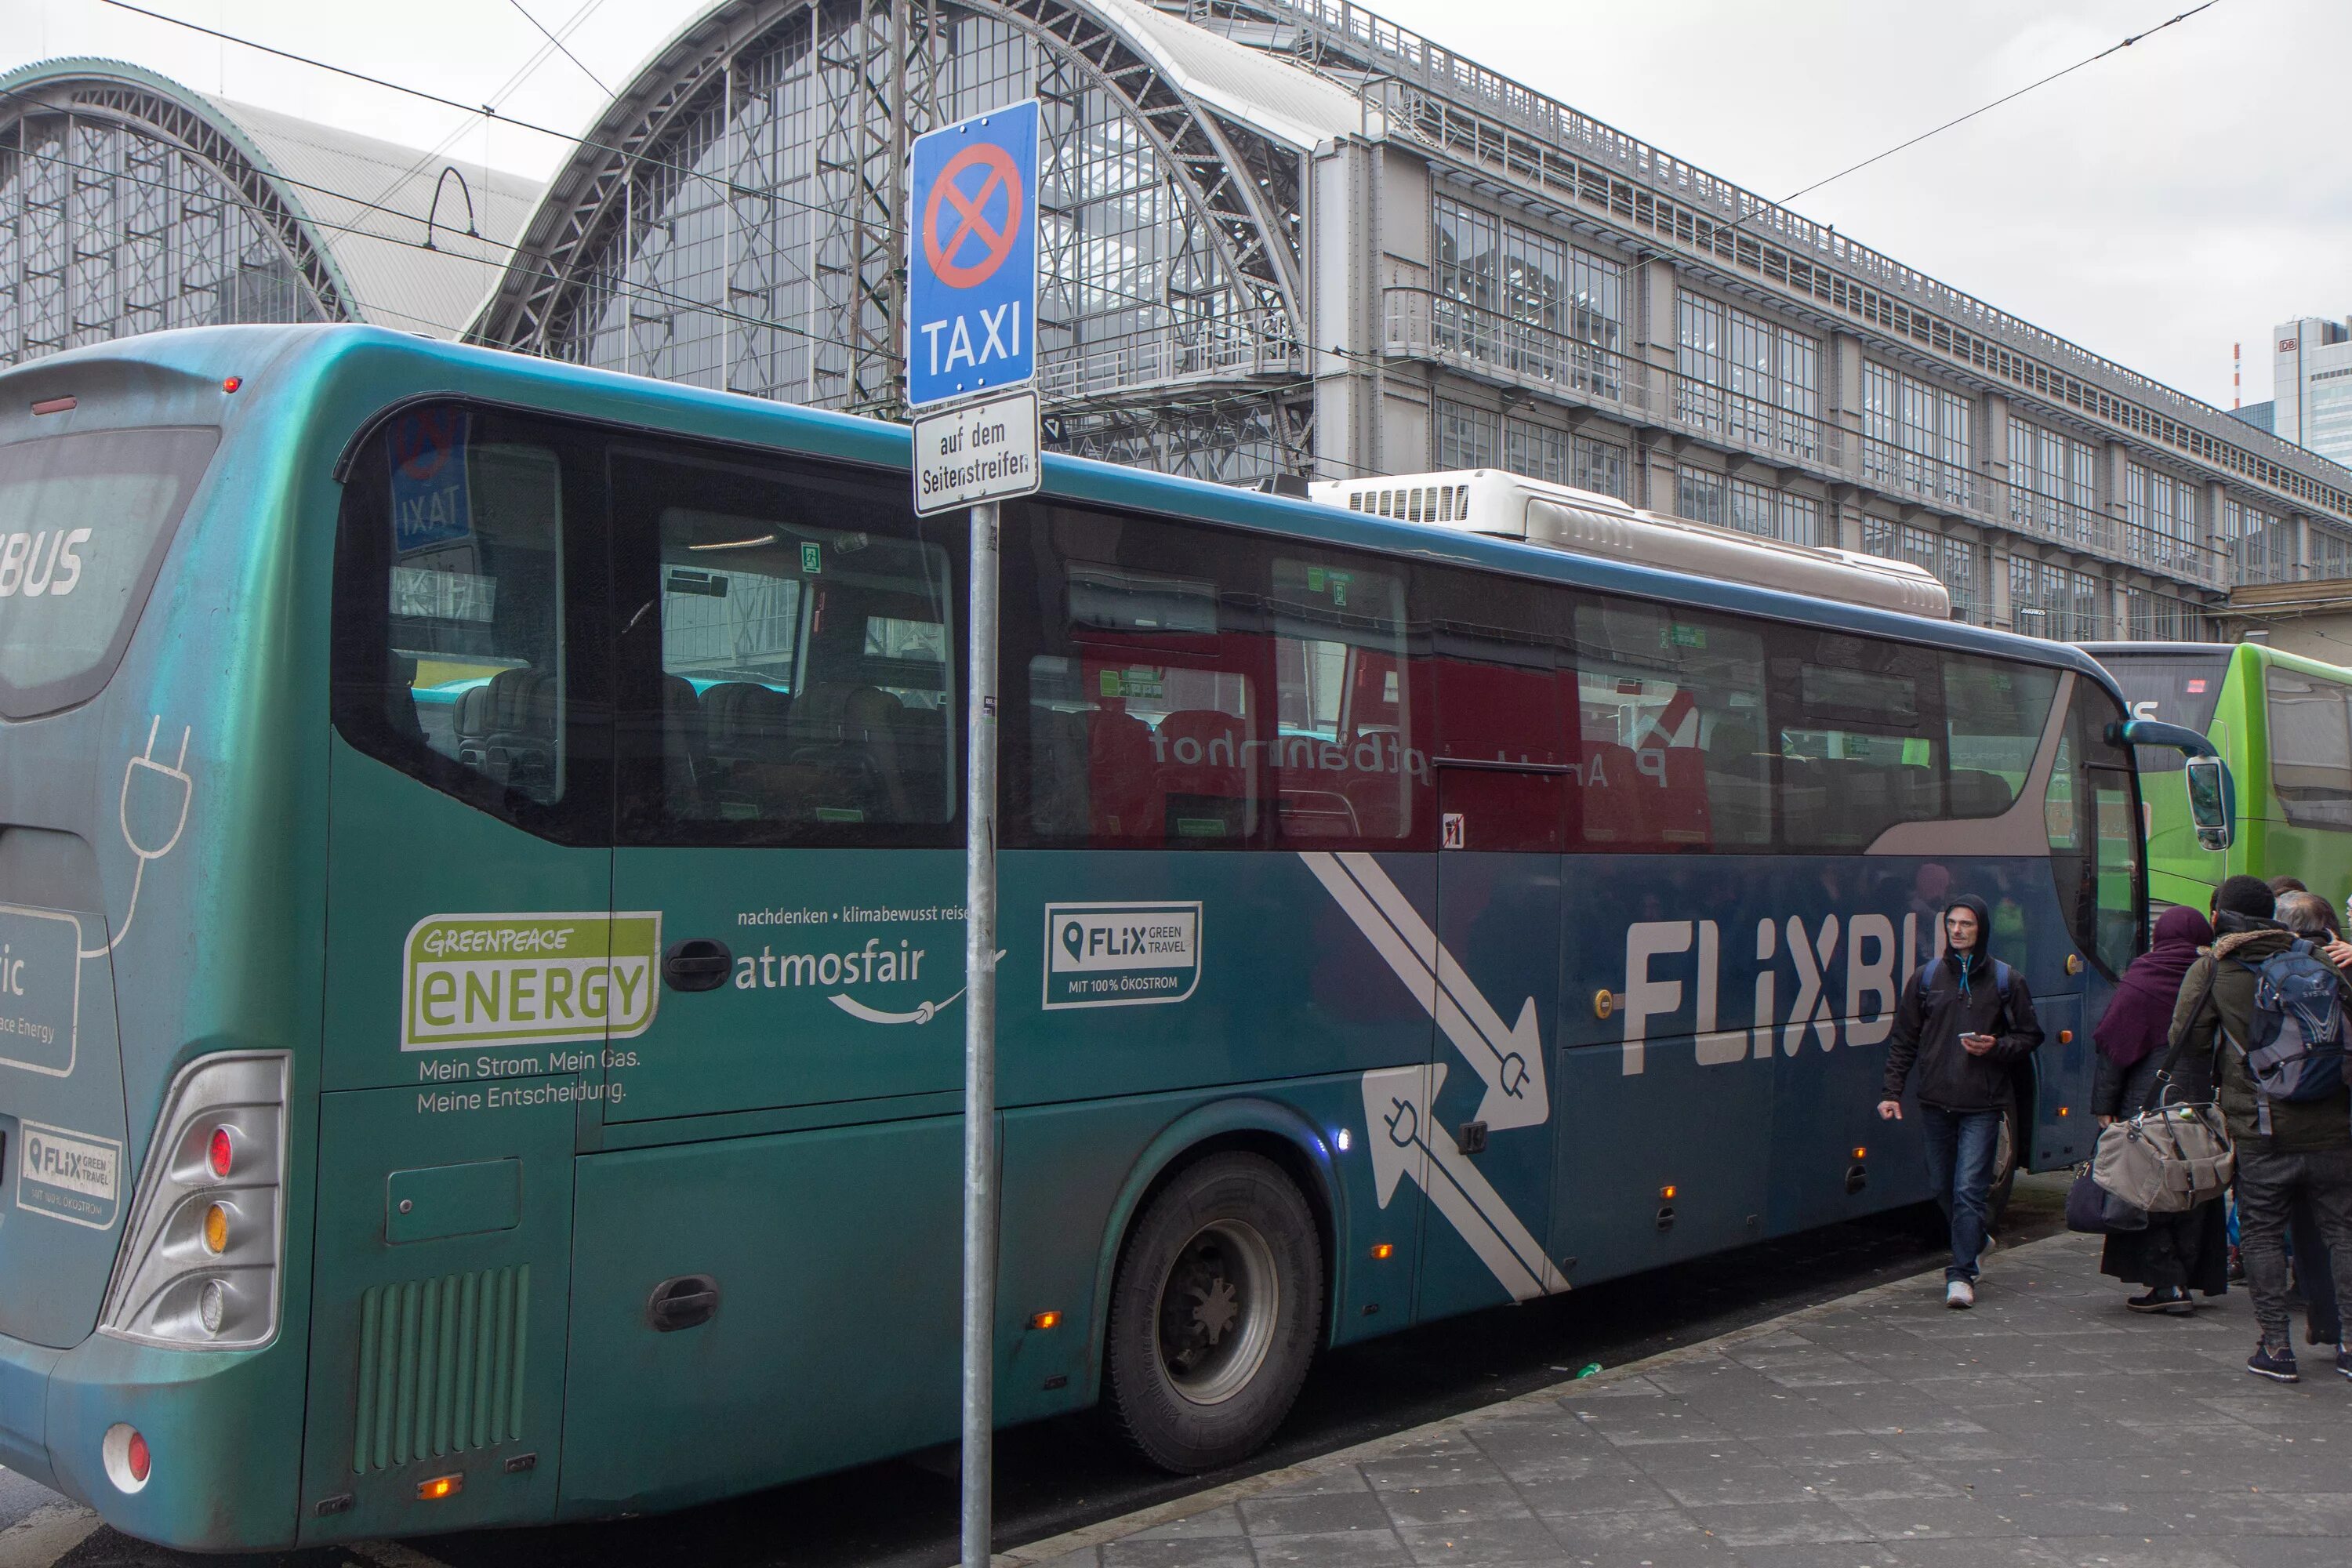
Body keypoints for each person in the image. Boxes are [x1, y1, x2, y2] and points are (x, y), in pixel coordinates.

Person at [2164, 874, 2352, 1383]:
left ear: (2220, 917)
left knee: (2263, 1235)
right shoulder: (2315, 959)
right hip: (2335, 1126)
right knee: (2343, 1233)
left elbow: (2185, 1043)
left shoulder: (2214, 969)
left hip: (2262, 1130)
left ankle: (2275, 1348)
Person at [1879, 895, 2044, 1309]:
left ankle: (1961, 1274)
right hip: (1936, 1100)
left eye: (1966, 924)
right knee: (1941, 1186)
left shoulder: (2007, 980)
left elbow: (2030, 1037)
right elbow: (1905, 1040)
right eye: (1952, 923)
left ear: (1981, 929)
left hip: (1984, 1104)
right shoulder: (1927, 977)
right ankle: (1976, 1240)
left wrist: (1995, 1046)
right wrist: (1891, 1092)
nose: (1957, 930)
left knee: (1970, 1189)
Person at [2092, 904, 2226, 1313]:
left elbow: (2114, 1046)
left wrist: (2104, 1106)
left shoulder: (2143, 977)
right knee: (2191, 1182)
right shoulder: (2213, 977)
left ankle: (2167, 1283)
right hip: (2198, 1100)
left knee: (2147, 1185)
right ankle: (2186, 1275)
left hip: (2147, 1099)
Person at [2270, 891, 2347, 1350]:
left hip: (2285, 1119)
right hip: (2341, 1118)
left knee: (2306, 1229)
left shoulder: (2271, 968)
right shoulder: (2341, 965)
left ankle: (2321, 1322)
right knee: (2342, 1228)